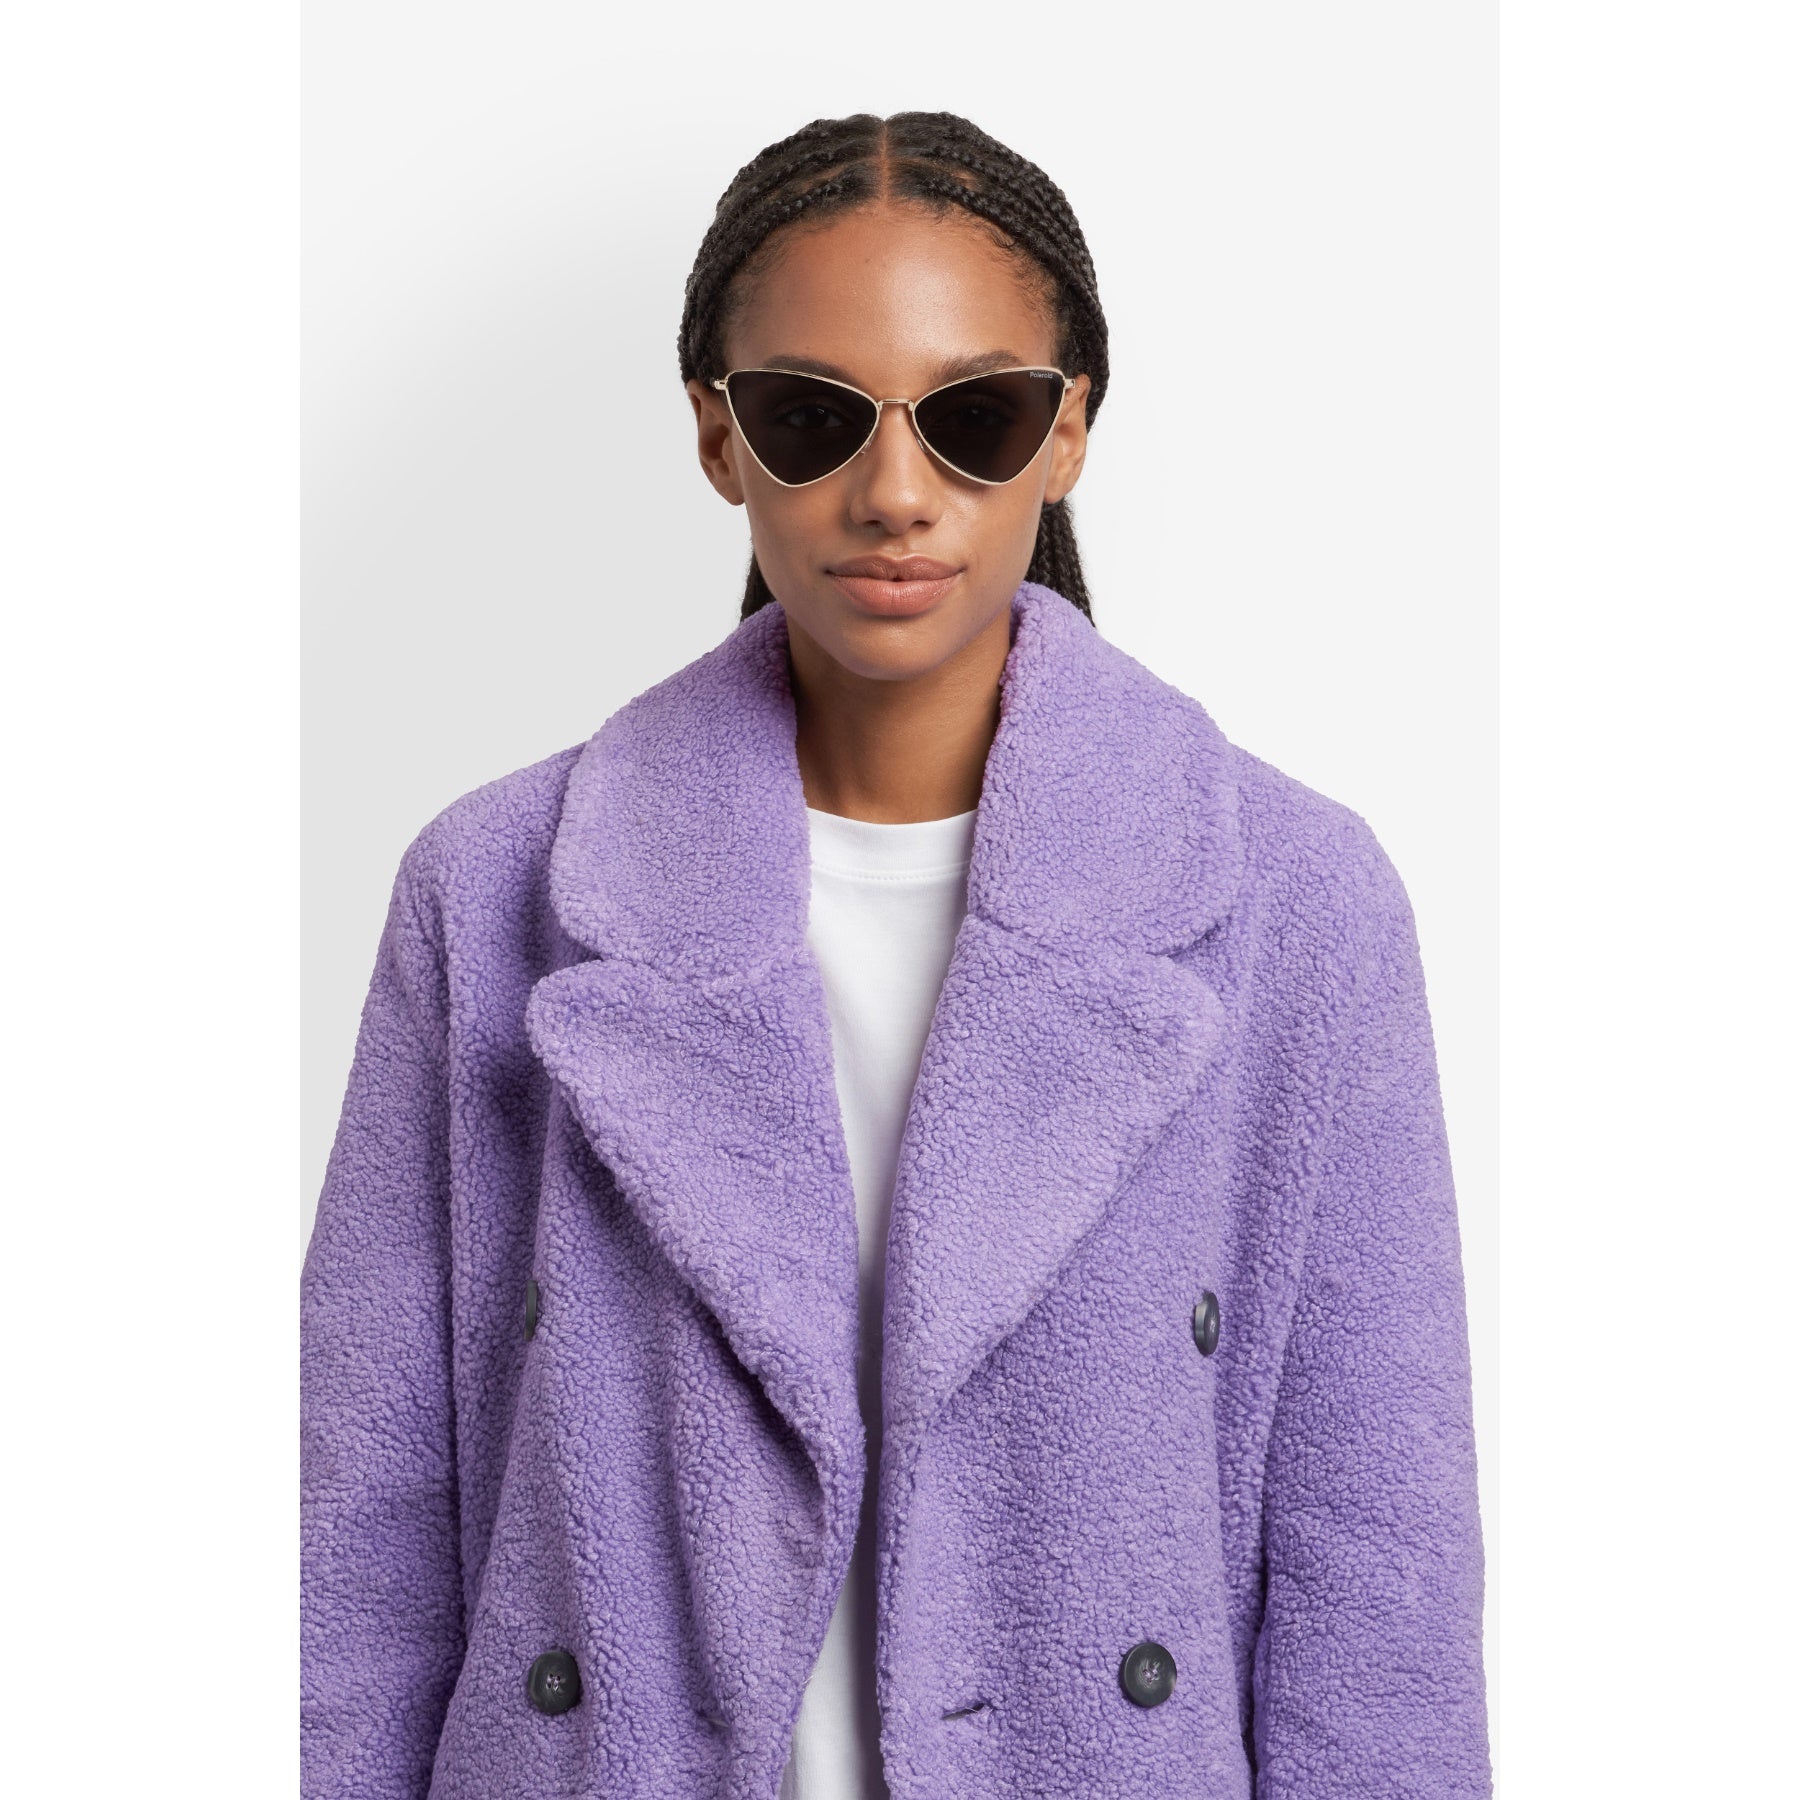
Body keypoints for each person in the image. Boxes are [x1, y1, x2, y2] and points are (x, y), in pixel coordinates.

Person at [300, 112, 1492, 1799]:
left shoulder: (1296, 905)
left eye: (973, 415)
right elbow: (353, 1549)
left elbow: (1382, 1589)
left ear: (1066, 433)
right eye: (813, 416)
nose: (896, 493)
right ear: (718, 438)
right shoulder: (493, 891)